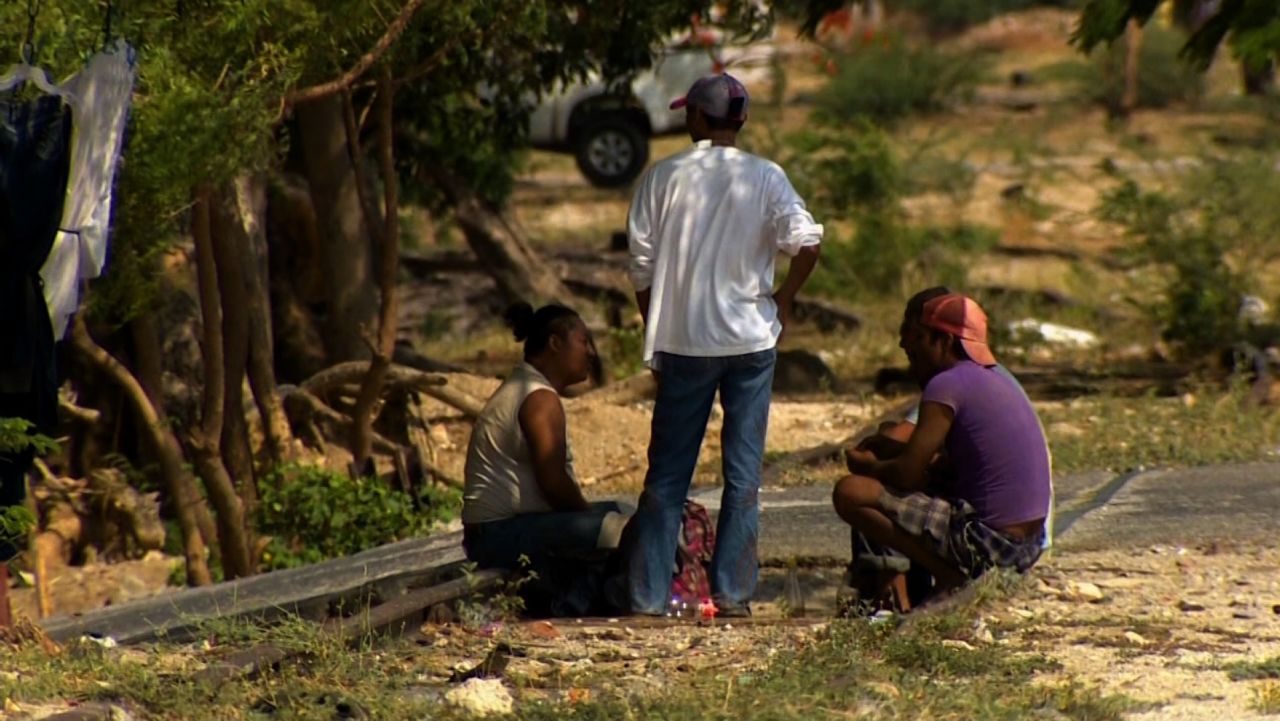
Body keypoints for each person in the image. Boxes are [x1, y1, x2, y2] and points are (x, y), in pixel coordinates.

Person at [625, 73, 823, 617]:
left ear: (694, 118)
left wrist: (656, 329)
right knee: (743, 475)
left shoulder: (662, 177)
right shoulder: (765, 176)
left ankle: (647, 598)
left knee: (667, 476)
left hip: (685, 344)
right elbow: (806, 242)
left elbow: (640, 268)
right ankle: (733, 596)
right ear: (741, 121)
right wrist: (784, 299)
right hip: (751, 342)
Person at [833, 292, 1051, 599]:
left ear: (946, 341)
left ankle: (949, 579)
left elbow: (908, 474)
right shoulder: (995, 379)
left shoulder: (946, 384)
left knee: (853, 491)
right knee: (913, 485)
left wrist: (868, 465)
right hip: (1027, 547)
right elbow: (951, 464)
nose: (907, 346)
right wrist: (890, 450)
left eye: (919, 337)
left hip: (989, 544)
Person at [462, 303, 629, 575]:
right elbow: (553, 483)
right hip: (499, 536)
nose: (591, 352)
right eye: (583, 342)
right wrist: (588, 515)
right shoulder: (539, 397)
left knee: (620, 510)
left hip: (495, 533)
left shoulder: (528, 386)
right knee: (623, 528)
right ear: (555, 343)